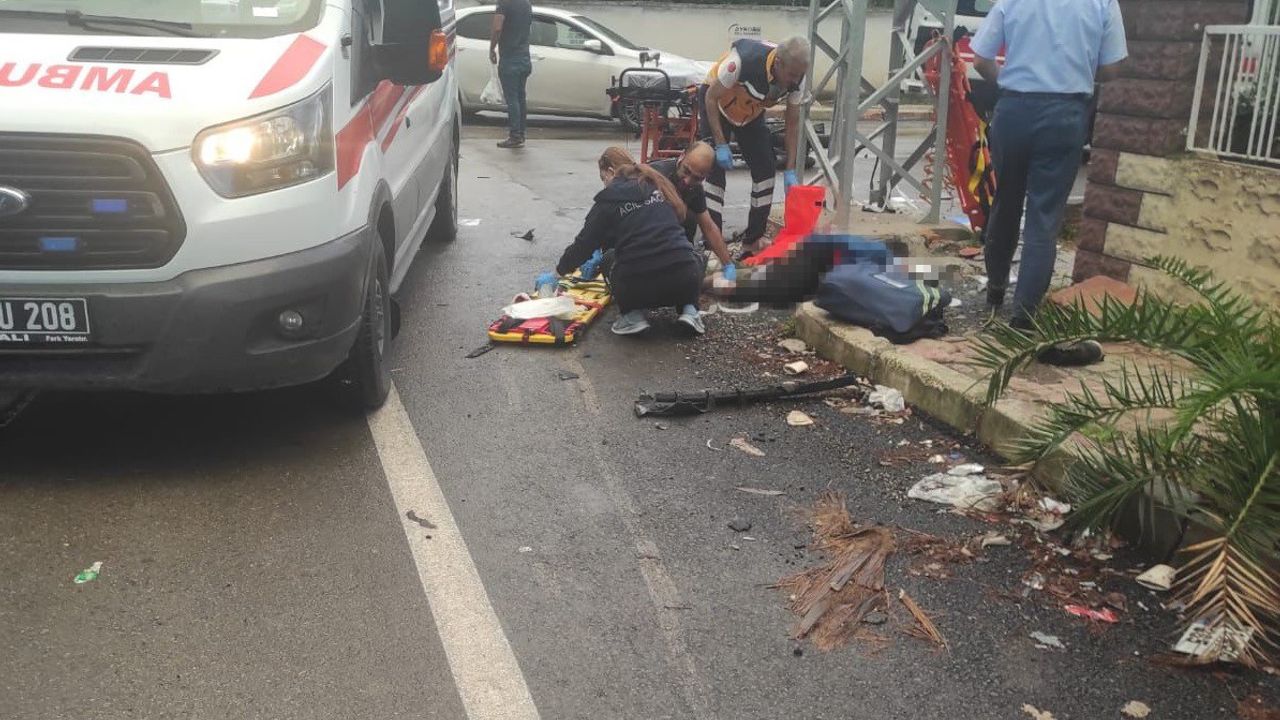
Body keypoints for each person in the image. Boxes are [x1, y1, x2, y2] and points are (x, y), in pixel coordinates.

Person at [971, 0, 1127, 334]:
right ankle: (1023, 316)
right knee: (1043, 216)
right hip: (1064, 113)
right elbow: (1113, 68)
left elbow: (981, 59)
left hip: (1014, 109)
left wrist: (1006, 80)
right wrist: (1079, 69)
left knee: (1006, 202)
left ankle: (995, 290)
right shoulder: (1103, 3)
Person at [543, 148, 707, 336]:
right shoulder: (657, 184)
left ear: (611, 172)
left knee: (609, 258)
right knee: (694, 256)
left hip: (639, 290)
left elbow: (583, 245)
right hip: (684, 282)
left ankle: (632, 316)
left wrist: (557, 274)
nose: (604, 184)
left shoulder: (608, 200)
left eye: (603, 178)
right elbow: (683, 221)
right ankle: (690, 311)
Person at [699, 36, 810, 258]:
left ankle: (752, 242)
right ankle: (713, 246)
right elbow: (710, 98)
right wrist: (721, 144)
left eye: (798, 76)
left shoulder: (798, 78)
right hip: (717, 104)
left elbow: (792, 122)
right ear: (778, 63)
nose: (794, 81)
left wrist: (790, 168)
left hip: (750, 113)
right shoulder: (741, 62)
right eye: (791, 75)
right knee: (714, 172)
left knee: (766, 169)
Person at [647, 142, 735, 276]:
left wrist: (728, 264)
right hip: (646, 244)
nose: (687, 181)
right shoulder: (654, 175)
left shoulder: (695, 189)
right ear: (682, 156)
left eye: (697, 178)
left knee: (690, 218)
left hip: (673, 249)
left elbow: (709, 228)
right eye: (686, 171)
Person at [489, 0, 532, 149]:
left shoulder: (504, 3)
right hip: (524, 56)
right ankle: (521, 133)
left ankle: (515, 135)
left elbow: (497, 27)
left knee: (512, 98)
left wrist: (492, 48)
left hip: (510, 57)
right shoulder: (526, 3)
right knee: (520, 97)